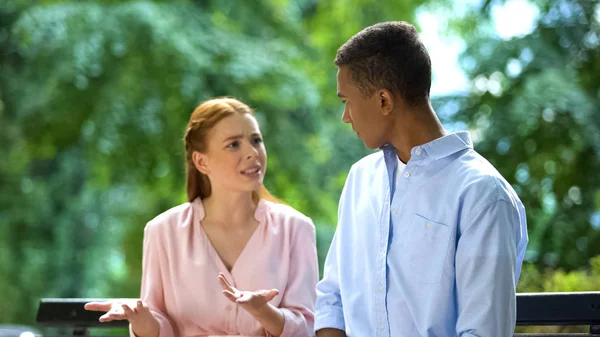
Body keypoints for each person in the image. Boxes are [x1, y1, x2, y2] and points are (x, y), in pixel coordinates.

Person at [315, 21, 529, 337]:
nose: (345, 117)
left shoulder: (482, 194)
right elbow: (332, 299)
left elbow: (484, 331)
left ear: (384, 101)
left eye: (347, 102)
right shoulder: (360, 180)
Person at [85, 97, 319, 337]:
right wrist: (141, 320)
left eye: (256, 140)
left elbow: (308, 326)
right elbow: (162, 327)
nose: (252, 152)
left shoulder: (296, 228)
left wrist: (263, 312)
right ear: (201, 161)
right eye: (233, 144)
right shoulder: (162, 231)